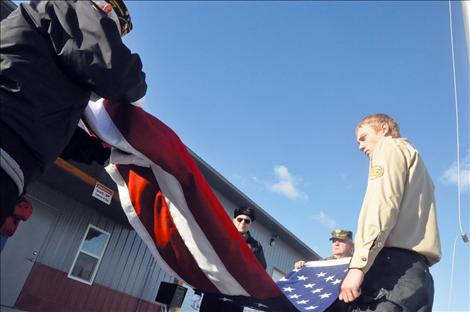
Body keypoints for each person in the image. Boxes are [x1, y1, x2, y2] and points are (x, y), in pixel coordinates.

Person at [0, 0, 147, 227]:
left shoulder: (53, 63)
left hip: (10, 161)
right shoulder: (68, 6)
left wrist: (102, 154)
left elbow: (55, 131)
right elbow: (118, 74)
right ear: (105, 10)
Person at [339, 113, 441, 311]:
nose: (360, 146)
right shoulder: (419, 166)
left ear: (384, 129)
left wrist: (358, 266)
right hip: (419, 278)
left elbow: (383, 205)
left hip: (390, 273)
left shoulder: (387, 147)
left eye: (364, 137)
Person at [196, 206, 267, 312]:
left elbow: (260, 274)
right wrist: (197, 291)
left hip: (236, 297)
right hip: (214, 291)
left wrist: (252, 301)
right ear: (234, 220)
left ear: (250, 224)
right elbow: (207, 263)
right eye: (240, 219)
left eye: (247, 221)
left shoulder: (256, 246)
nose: (243, 223)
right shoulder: (220, 237)